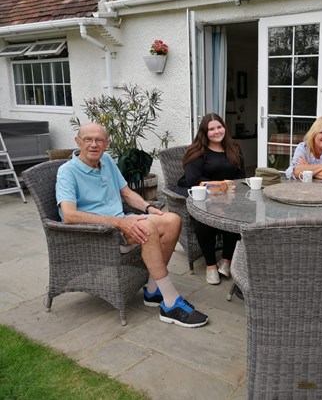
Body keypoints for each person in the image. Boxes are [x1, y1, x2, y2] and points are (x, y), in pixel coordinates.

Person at [56, 122, 208, 328]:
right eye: (88, 139)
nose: (94, 144)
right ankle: (170, 303)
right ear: (78, 142)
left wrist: (147, 208)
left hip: (121, 221)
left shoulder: (106, 160)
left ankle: (153, 291)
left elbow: (126, 193)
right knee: (148, 229)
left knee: (172, 220)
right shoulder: (67, 172)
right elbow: (69, 215)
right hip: (98, 232)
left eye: (99, 140)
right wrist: (119, 222)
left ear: (106, 143)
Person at [176, 113, 246, 285]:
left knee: (236, 217)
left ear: (224, 127)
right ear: (204, 132)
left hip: (228, 198)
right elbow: (194, 180)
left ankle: (226, 261)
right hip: (202, 199)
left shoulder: (234, 148)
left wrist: (230, 192)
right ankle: (211, 265)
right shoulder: (197, 152)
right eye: (211, 129)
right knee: (204, 223)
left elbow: (241, 176)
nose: (216, 131)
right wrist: (221, 186)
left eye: (219, 127)